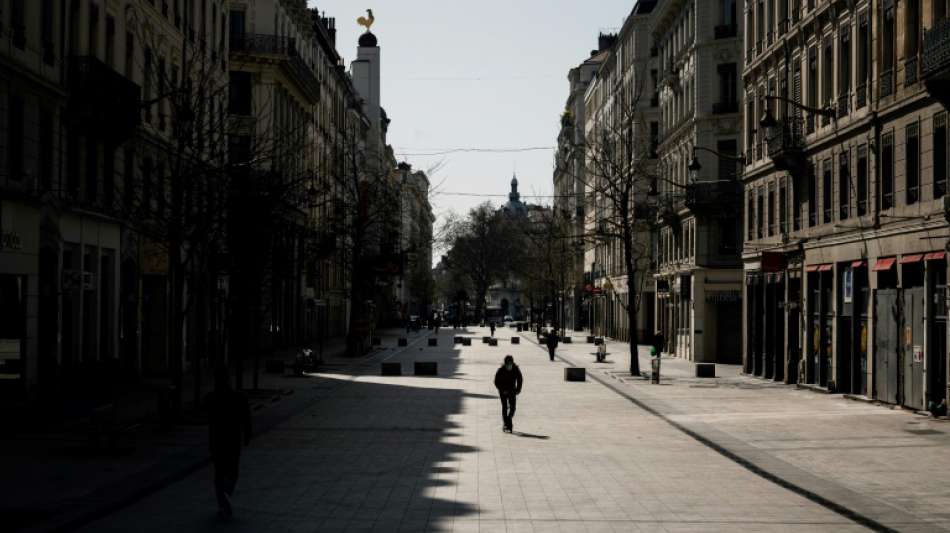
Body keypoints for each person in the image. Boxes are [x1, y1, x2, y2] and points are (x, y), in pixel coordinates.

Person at [207, 367, 252, 518]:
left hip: (217, 440)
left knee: (219, 472)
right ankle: (226, 492)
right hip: (233, 439)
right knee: (233, 470)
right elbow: (247, 418)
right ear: (229, 380)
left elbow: (210, 422)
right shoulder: (239, 397)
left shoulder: (211, 398)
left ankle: (222, 501)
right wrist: (247, 435)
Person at [493, 355, 523, 433]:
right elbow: (496, 381)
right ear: (505, 363)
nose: (509, 365)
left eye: (511, 363)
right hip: (503, 391)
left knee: (513, 407)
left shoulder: (515, 369)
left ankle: (508, 419)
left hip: (512, 390)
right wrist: (502, 390)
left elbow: (520, 379)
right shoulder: (501, 370)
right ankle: (506, 424)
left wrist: (518, 389)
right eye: (508, 364)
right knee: (505, 407)